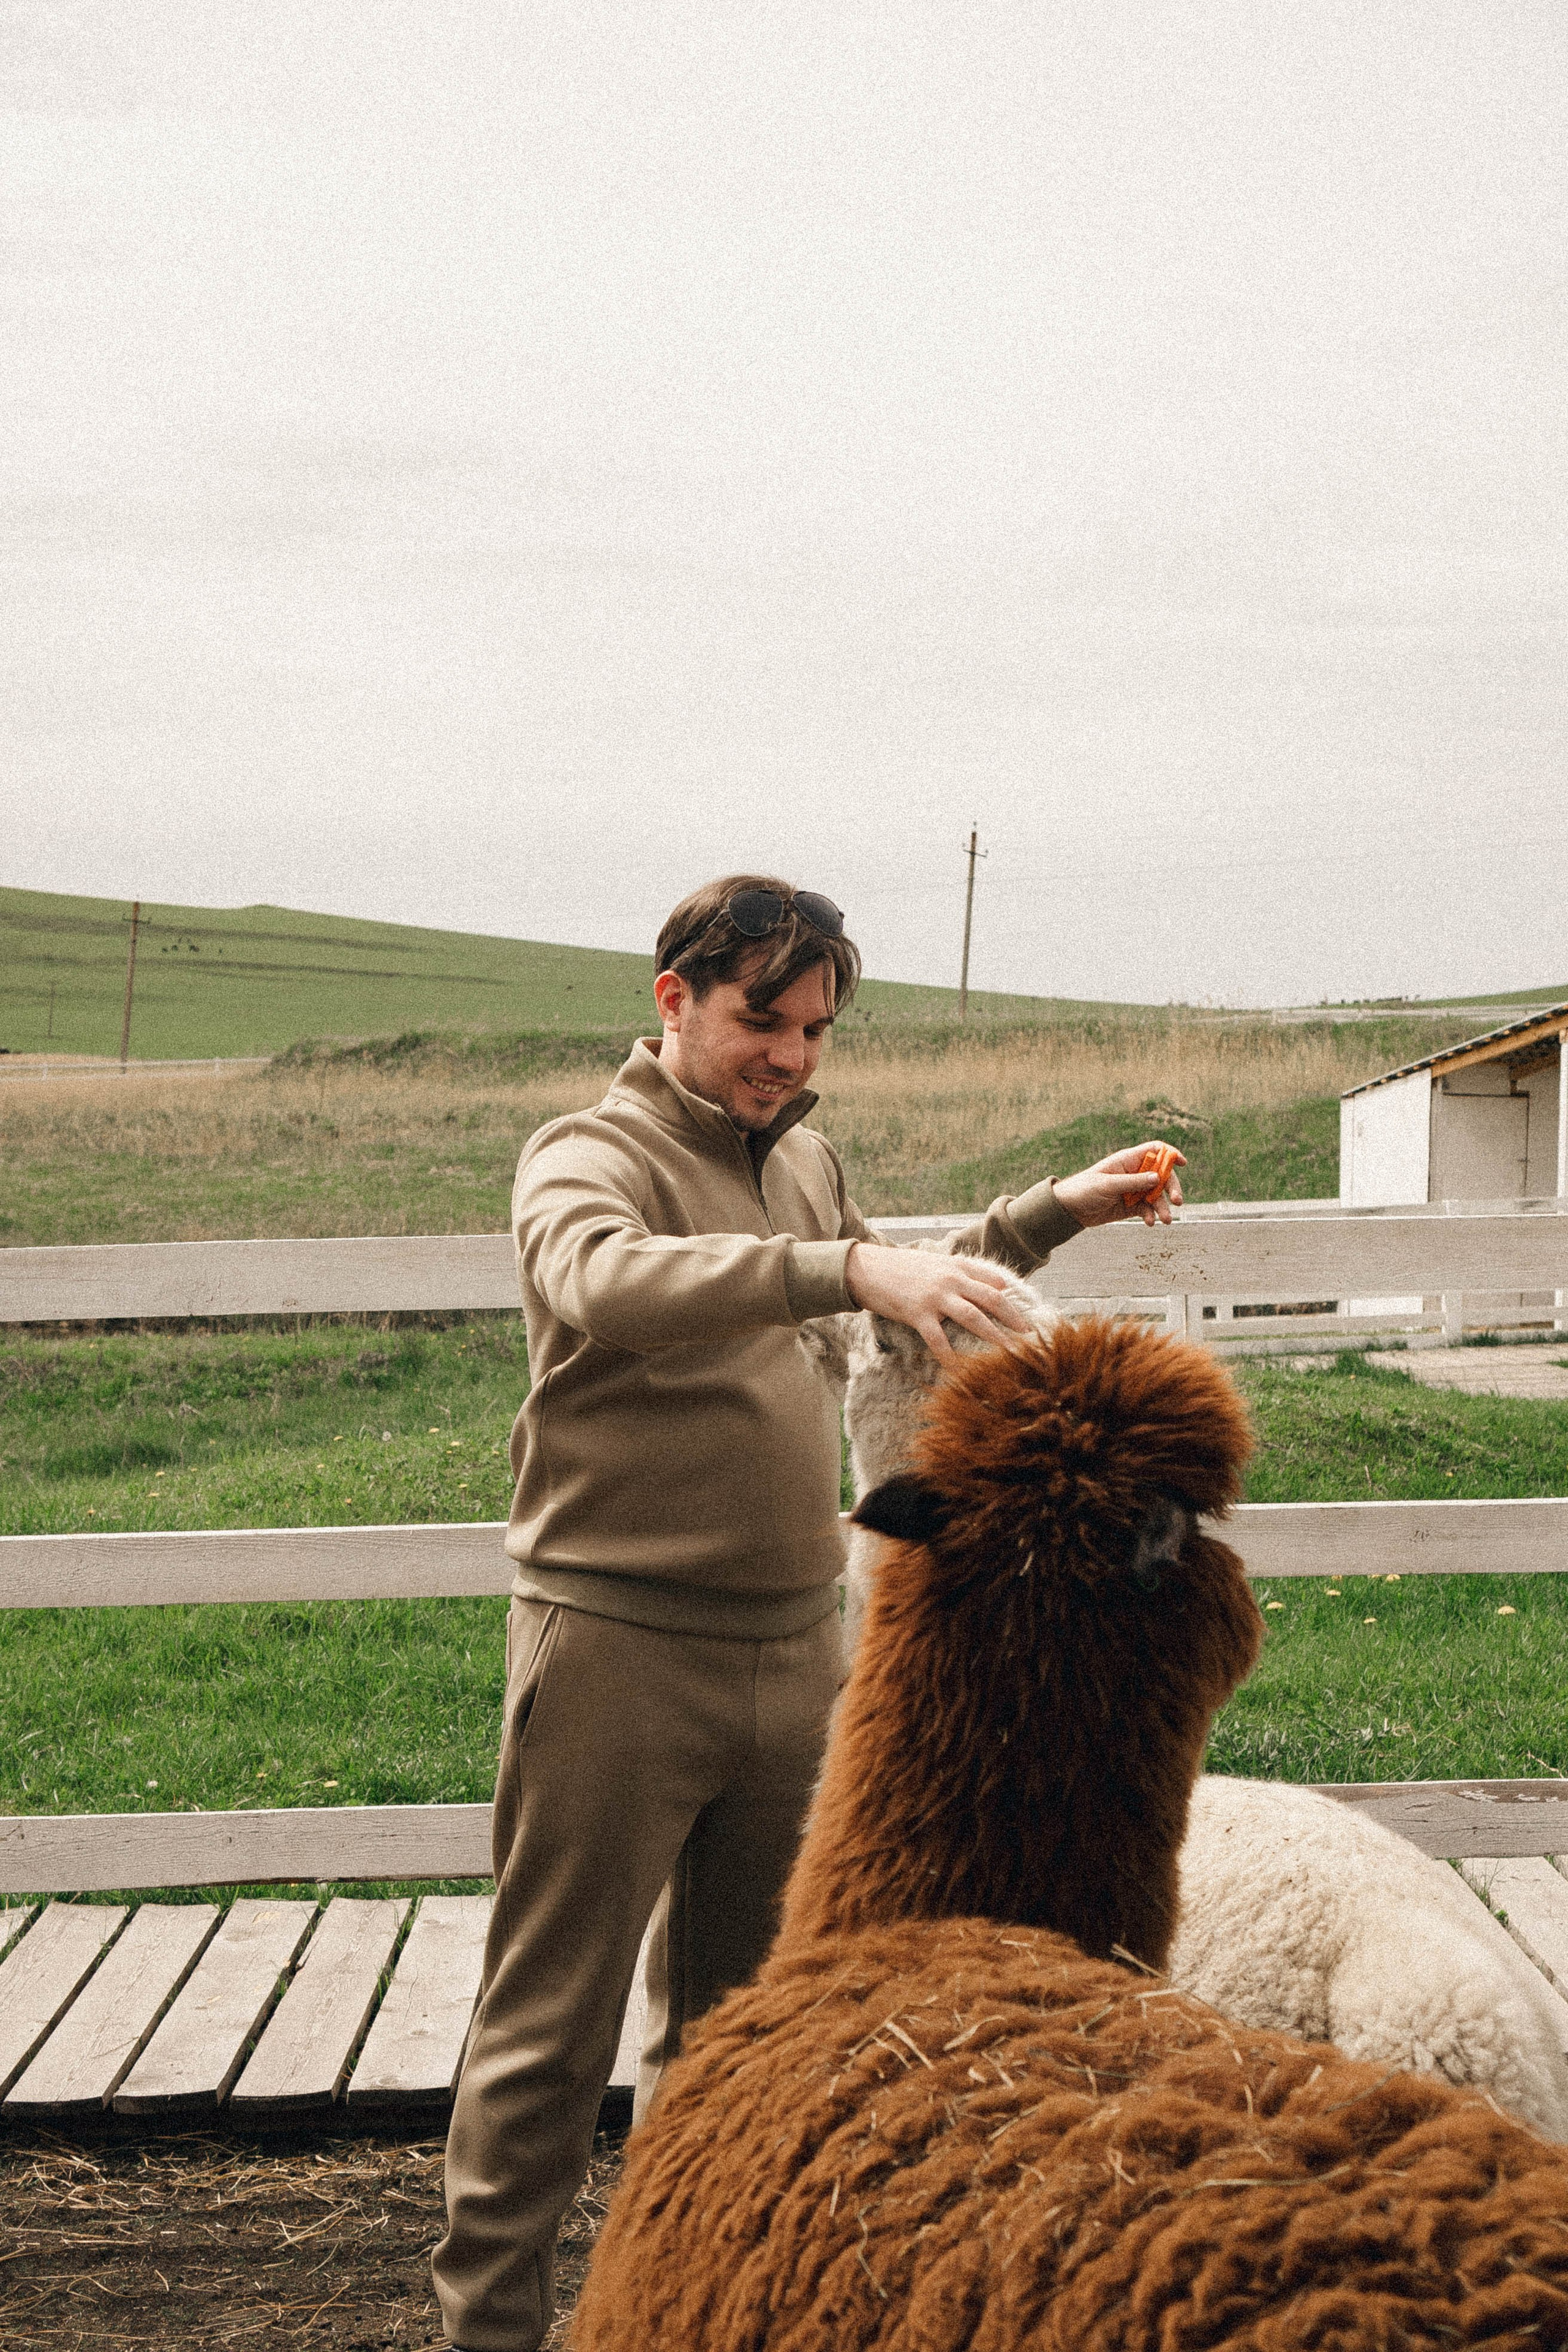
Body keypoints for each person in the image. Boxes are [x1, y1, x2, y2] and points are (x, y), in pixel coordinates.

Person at [431, 875, 1184, 2351]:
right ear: (674, 1001)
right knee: (547, 2032)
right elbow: (606, 1281)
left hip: (795, 1651)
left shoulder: (804, 1164)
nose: (786, 1054)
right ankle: (489, 2332)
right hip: (617, 1651)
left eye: (813, 1030)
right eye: (758, 1019)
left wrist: (1052, 1212)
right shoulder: (583, 1157)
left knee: (740, 2036)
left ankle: (681, 2314)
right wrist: (843, 1261)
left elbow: (897, 1290)